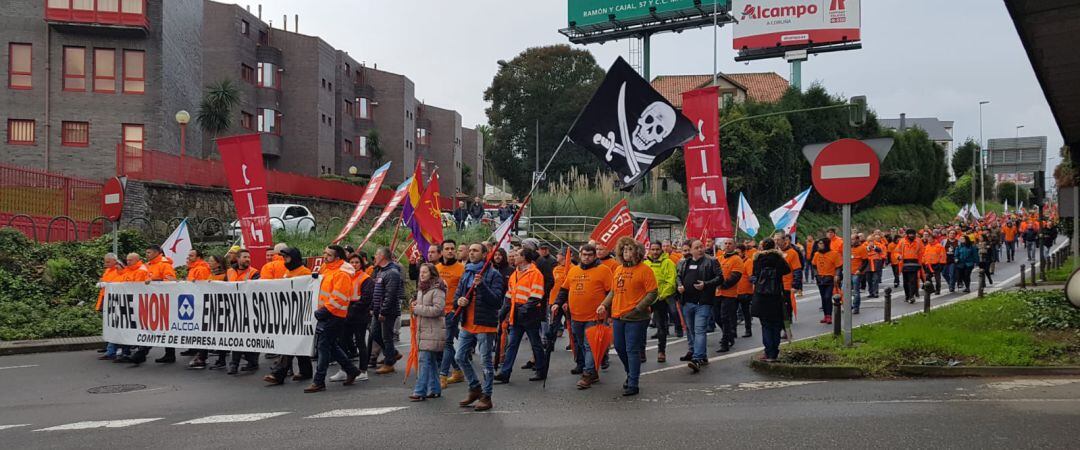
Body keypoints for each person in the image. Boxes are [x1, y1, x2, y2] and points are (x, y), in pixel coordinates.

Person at [597, 237, 658, 396]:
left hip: (637, 317)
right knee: (619, 347)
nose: (626, 253)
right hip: (618, 315)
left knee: (632, 349)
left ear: (637, 252)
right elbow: (613, 291)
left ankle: (633, 383)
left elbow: (653, 292)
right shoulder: (618, 270)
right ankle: (630, 373)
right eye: (624, 250)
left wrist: (638, 308)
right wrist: (604, 305)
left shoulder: (645, 270)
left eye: (630, 249)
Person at [454, 243, 506, 411]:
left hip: (485, 324)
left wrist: (482, 285)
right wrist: (459, 301)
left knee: (485, 362)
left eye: (475, 250)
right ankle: (474, 387)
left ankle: (486, 396)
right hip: (467, 323)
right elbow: (457, 296)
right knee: (460, 357)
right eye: (470, 251)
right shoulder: (467, 272)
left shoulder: (494, 275)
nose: (471, 253)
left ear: (485, 254)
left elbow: (497, 301)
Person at [553, 243, 612, 389]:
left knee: (589, 345)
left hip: (595, 317)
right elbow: (564, 290)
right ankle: (592, 371)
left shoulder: (604, 270)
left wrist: (608, 313)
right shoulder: (573, 271)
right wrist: (557, 303)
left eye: (589, 255)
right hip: (576, 316)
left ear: (594, 256)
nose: (586, 257)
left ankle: (587, 375)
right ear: (580, 255)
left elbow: (611, 292)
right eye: (584, 254)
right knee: (581, 345)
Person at [304, 245, 362, 393]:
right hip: (327, 313)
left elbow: (339, 298)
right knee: (330, 345)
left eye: (328, 255)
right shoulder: (327, 268)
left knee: (324, 346)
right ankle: (351, 370)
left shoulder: (342, 273)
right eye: (325, 253)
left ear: (337, 257)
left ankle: (319, 381)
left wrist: (324, 310)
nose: (325, 257)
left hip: (334, 315)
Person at [494, 247, 548, 383]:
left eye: (517, 255)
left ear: (524, 258)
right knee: (512, 344)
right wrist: (504, 311)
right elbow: (509, 295)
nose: (513, 257)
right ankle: (505, 373)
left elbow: (537, 295)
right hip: (516, 314)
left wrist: (523, 309)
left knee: (535, 344)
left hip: (530, 315)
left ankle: (541, 371)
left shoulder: (535, 273)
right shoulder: (515, 274)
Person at [264, 248, 315, 384]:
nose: (284, 260)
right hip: (289, 313)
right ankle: (306, 371)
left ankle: (278, 373)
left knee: (290, 344)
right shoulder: (288, 272)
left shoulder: (304, 272)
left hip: (300, 313)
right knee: (297, 343)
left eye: (287, 257)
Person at [129, 245, 178, 365]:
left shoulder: (164, 265)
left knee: (159, 327)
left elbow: (171, 281)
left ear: (157, 253)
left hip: (162, 301)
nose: (147, 255)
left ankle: (143, 353)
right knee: (155, 327)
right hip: (151, 301)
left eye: (149, 252)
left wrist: (154, 282)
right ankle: (167, 354)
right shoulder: (148, 265)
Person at [675, 239, 721, 369]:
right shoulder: (685, 263)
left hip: (703, 302)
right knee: (691, 330)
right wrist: (680, 286)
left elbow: (720, 277)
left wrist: (705, 284)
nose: (700, 249)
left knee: (700, 329)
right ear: (690, 250)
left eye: (701, 247)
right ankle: (702, 355)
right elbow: (678, 276)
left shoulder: (711, 261)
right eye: (696, 247)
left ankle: (696, 358)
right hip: (687, 302)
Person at [410, 263, 447, 401]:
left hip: (433, 330)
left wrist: (417, 308)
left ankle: (420, 391)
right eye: (421, 272)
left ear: (432, 273)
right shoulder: (422, 289)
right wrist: (415, 306)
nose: (422, 274)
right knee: (430, 361)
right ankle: (435, 389)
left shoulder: (437, 289)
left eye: (425, 272)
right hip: (425, 330)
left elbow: (438, 309)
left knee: (424, 360)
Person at [751, 239, 792, 362]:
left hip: (761, 296)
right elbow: (787, 270)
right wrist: (779, 255)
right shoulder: (778, 259)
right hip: (775, 296)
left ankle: (768, 352)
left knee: (766, 325)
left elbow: (755, 274)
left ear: (762, 247)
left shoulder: (758, 259)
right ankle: (774, 352)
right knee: (776, 324)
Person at [435, 241, 466, 388]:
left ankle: (443, 375)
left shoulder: (462, 269)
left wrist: (458, 307)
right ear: (441, 252)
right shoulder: (436, 269)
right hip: (438, 311)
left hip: (453, 311)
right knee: (443, 343)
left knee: (447, 342)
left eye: (453, 249)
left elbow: (467, 291)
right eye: (447, 249)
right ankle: (458, 370)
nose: (450, 251)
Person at [371, 247, 405, 375]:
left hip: (387, 312)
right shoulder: (381, 271)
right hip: (378, 310)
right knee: (375, 334)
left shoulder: (392, 272)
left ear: (382, 256)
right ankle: (393, 354)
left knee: (387, 337)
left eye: (376, 254)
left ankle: (389, 363)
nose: (374, 257)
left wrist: (383, 311)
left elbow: (390, 294)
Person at [112, 253, 150, 364]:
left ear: (137, 260)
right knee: (127, 328)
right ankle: (127, 352)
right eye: (127, 260)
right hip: (128, 303)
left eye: (130, 260)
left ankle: (137, 353)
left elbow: (136, 287)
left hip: (137, 304)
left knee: (137, 329)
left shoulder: (141, 271)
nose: (128, 262)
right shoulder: (128, 270)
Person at [643, 242, 676, 363]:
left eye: (657, 249)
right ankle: (642, 351)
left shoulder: (668, 263)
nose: (655, 252)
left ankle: (661, 351)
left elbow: (671, 281)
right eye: (653, 249)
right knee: (642, 325)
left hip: (661, 299)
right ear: (650, 250)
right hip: (646, 299)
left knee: (661, 326)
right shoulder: (645, 264)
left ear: (661, 250)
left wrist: (661, 296)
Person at [715, 238, 743, 354]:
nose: (727, 245)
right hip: (717, 293)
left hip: (729, 294)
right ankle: (729, 333)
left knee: (724, 317)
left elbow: (735, 277)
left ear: (734, 246)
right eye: (725, 243)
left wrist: (722, 285)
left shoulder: (737, 259)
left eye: (730, 244)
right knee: (716, 317)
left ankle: (725, 341)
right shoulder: (719, 258)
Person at [96, 253, 125, 361]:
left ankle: (112, 349)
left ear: (114, 261)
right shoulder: (108, 270)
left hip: (114, 300)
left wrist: (106, 283)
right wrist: (102, 283)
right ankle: (110, 347)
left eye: (108, 262)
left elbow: (120, 283)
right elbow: (103, 281)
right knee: (108, 324)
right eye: (105, 261)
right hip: (106, 298)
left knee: (113, 324)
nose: (106, 263)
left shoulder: (118, 269)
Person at [811, 238, 841, 325]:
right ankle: (825, 315)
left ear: (826, 244)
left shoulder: (834, 254)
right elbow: (814, 266)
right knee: (823, 297)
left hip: (830, 278)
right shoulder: (816, 254)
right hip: (820, 279)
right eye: (819, 243)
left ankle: (829, 316)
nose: (819, 245)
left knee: (828, 297)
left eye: (821, 243)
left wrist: (837, 275)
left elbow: (838, 266)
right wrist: (816, 275)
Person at [896, 229, 924, 302]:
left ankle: (911, 296)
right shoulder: (902, 241)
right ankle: (907, 295)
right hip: (904, 263)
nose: (911, 235)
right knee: (906, 281)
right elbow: (897, 251)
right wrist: (898, 256)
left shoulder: (918, 241)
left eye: (913, 234)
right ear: (907, 235)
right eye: (910, 234)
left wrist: (921, 262)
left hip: (915, 263)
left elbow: (922, 251)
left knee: (913, 280)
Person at [736, 244, 755, 338]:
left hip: (746, 292)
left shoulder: (748, 262)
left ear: (743, 252)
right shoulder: (735, 261)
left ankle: (748, 330)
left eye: (738, 252)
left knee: (746, 312)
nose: (737, 254)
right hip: (735, 291)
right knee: (732, 313)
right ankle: (733, 332)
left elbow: (751, 275)